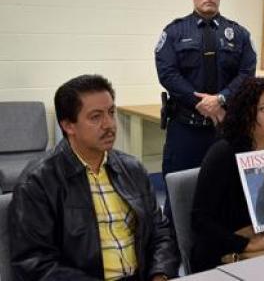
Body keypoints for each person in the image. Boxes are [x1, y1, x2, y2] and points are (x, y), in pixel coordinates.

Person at [8, 75, 179, 281]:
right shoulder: (38, 181)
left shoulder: (132, 169)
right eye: (96, 117)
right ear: (68, 125)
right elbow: (34, 264)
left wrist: (160, 274)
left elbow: (160, 232)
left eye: (111, 112)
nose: (109, 124)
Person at [154, 0, 256, 200]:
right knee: (179, 194)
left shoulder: (239, 34)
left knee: (227, 193)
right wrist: (201, 101)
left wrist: (221, 99)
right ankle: (174, 237)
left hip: (225, 128)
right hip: (185, 129)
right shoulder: (174, 32)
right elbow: (167, 73)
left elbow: (246, 74)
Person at [190, 77, 264, 272]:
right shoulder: (224, 153)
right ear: (247, 113)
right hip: (228, 247)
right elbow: (200, 221)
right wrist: (248, 244)